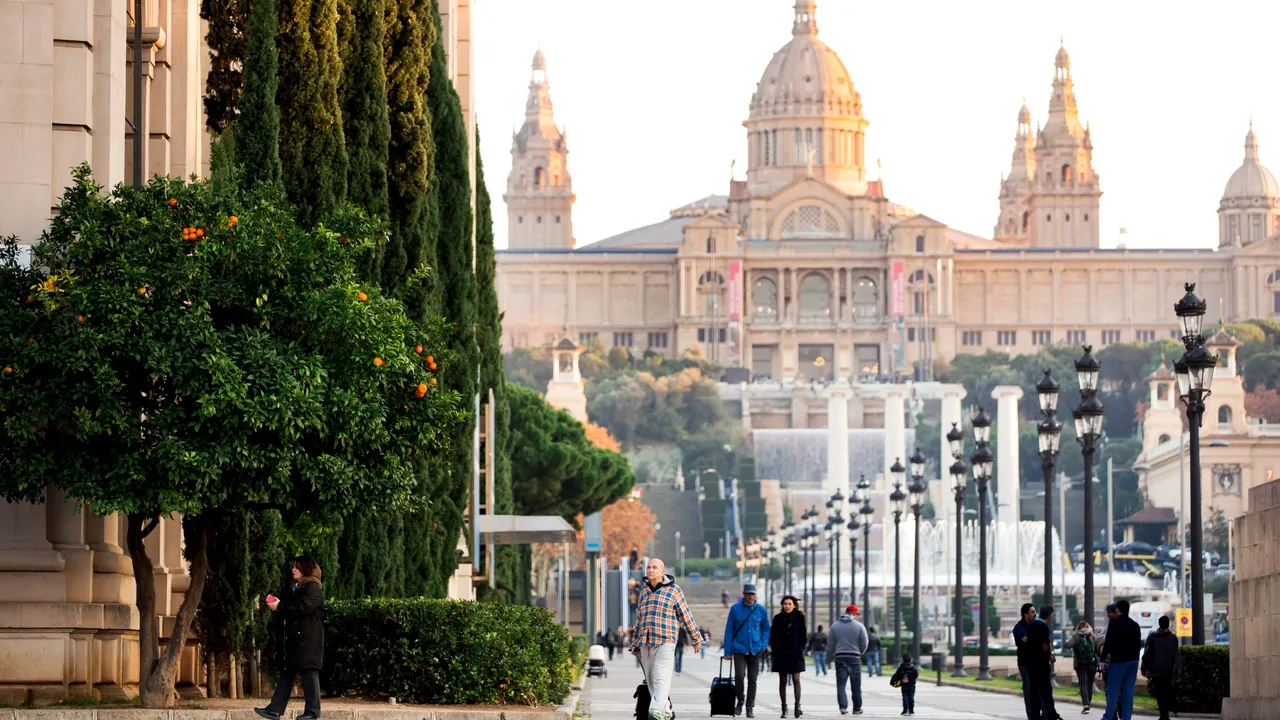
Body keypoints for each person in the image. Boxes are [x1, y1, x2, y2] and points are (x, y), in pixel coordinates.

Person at [630, 558, 702, 720]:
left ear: (662, 572)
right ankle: (667, 711)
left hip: (666, 639)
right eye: (648, 567)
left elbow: (686, 615)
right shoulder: (644, 591)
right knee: (650, 680)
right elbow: (639, 618)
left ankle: (655, 710)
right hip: (646, 641)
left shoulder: (674, 590)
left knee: (660, 675)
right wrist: (635, 642)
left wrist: (696, 638)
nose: (650, 570)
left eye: (655, 567)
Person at [255, 556, 324, 720]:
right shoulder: (299, 587)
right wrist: (279, 605)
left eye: (297, 567)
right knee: (287, 673)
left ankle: (312, 713)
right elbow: (294, 609)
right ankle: (274, 710)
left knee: (309, 673)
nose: (293, 570)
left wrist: (281, 605)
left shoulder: (312, 587)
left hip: (308, 641)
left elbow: (302, 608)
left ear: (306, 569)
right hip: (297, 640)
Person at [723, 583, 770, 718]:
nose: (750, 596)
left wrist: (762, 644)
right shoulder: (735, 609)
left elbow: (766, 628)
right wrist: (727, 651)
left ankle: (750, 706)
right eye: (748, 594)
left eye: (753, 594)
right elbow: (729, 630)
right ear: (743, 594)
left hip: (755, 648)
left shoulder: (761, 609)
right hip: (739, 648)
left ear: (756, 595)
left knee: (753, 679)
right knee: (739, 675)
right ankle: (740, 701)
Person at [1098, 599, 1142, 720]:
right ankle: (1126, 718)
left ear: (1117, 610)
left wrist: (1102, 659)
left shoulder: (1114, 623)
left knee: (1113, 691)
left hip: (1118, 662)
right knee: (1128, 691)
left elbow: (1108, 643)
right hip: (1132, 662)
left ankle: (1108, 716)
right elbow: (1138, 645)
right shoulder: (1135, 625)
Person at [827, 604, 869, 715]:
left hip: (840, 657)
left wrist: (835, 652)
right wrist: (860, 653)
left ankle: (843, 707)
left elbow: (830, 643)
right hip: (855, 658)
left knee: (841, 685)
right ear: (854, 614)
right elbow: (864, 643)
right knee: (856, 685)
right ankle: (857, 708)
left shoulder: (834, 626)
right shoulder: (860, 626)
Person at [769, 595, 807, 718]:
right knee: (783, 680)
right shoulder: (777, 618)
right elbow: (773, 636)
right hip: (782, 653)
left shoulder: (800, 618)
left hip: (796, 653)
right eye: (785, 604)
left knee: (796, 679)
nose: (787, 606)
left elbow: (803, 636)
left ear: (794, 605)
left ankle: (797, 707)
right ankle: (784, 707)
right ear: (782, 605)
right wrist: (776, 648)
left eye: (790, 604)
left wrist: (800, 648)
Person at [1140, 615, 1182, 720]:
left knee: (1159, 692)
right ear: (1168, 624)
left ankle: (1162, 714)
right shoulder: (1173, 638)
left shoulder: (1152, 637)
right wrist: (1178, 667)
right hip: (1168, 670)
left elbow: (1146, 653)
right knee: (1167, 691)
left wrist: (1143, 668)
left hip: (1156, 669)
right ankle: (1166, 715)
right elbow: (1176, 654)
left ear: (1159, 624)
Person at [1027, 605, 1062, 720]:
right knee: (1046, 692)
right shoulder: (1043, 627)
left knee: (1034, 692)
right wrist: (1050, 656)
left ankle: (1034, 716)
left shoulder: (1031, 625)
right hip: (1041, 665)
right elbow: (1044, 646)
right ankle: (1052, 715)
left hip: (1031, 664)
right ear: (1050, 616)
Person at [1012, 603, 1041, 720]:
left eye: (1035, 612)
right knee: (1029, 690)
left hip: (1038, 663)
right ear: (1025, 614)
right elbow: (1028, 640)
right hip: (1026, 664)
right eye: (1032, 612)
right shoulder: (1019, 628)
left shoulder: (1037, 626)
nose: (1035, 614)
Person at [1065, 620, 1098, 713]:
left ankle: (1086, 704)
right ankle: (1088, 703)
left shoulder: (1076, 636)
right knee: (1089, 684)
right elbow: (1098, 649)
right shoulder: (1093, 636)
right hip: (1092, 664)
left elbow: (1067, 645)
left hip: (1080, 664)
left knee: (1083, 683)